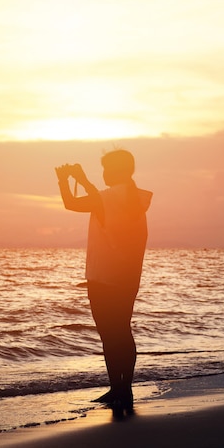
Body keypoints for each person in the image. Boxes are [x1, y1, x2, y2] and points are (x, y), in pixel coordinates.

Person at [55, 150, 152, 409]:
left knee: (109, 334)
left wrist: (66, 180)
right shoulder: (134, 199)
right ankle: (124, 389)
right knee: (122, 330)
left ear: (117, 171)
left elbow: (72, 203)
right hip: (128, 278)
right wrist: (83, 180)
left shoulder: (112, 198)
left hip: (104, 277)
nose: (105, 174)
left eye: (107, 169)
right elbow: (98, 200)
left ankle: (117, 388)